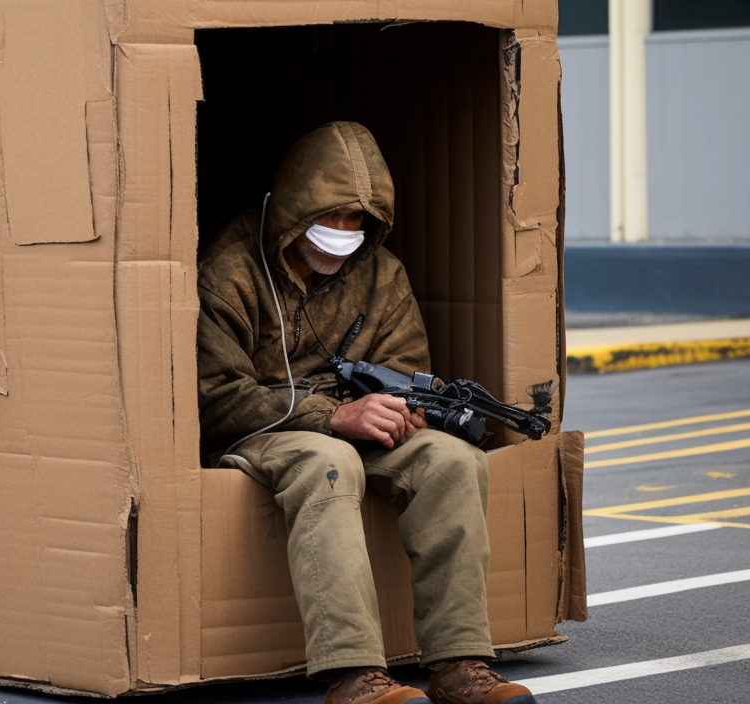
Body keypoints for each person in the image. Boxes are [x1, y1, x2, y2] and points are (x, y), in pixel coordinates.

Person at [196, 122, 535, 704]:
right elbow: (216, 396)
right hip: (268, 427)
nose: (347, 234)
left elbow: (406, 365)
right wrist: (330, 416)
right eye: (332, 218)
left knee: (454, 461)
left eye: (359, 221)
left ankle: (459, 664)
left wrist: (408, 411)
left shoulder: (383, 273)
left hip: (358, 420)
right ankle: (354, 674)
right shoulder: (230, 272)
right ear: (293, 213)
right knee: (329, 462)